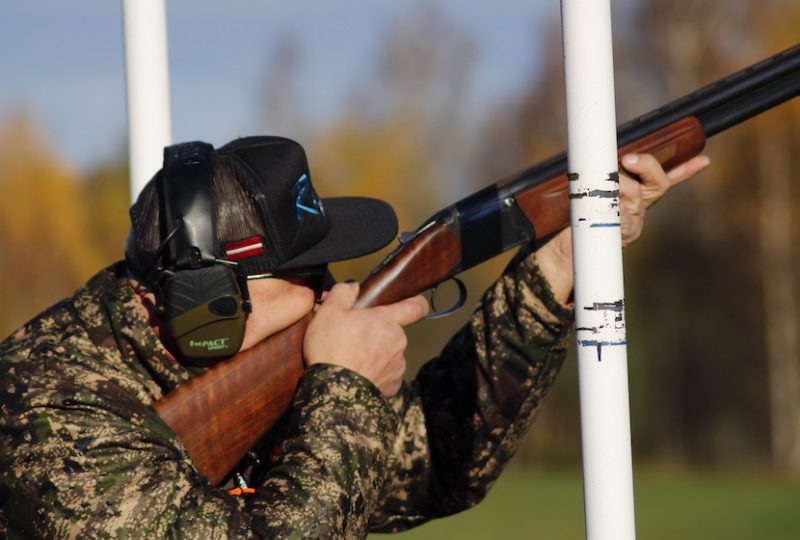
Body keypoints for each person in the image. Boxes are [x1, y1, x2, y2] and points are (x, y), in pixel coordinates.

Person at [0, 135, 709, 538]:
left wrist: (554, 271)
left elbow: (435, 464)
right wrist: (343, 388)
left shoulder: (212, 370)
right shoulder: (46, 419)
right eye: (309, 275)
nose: (334, 291)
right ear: (210, 302)